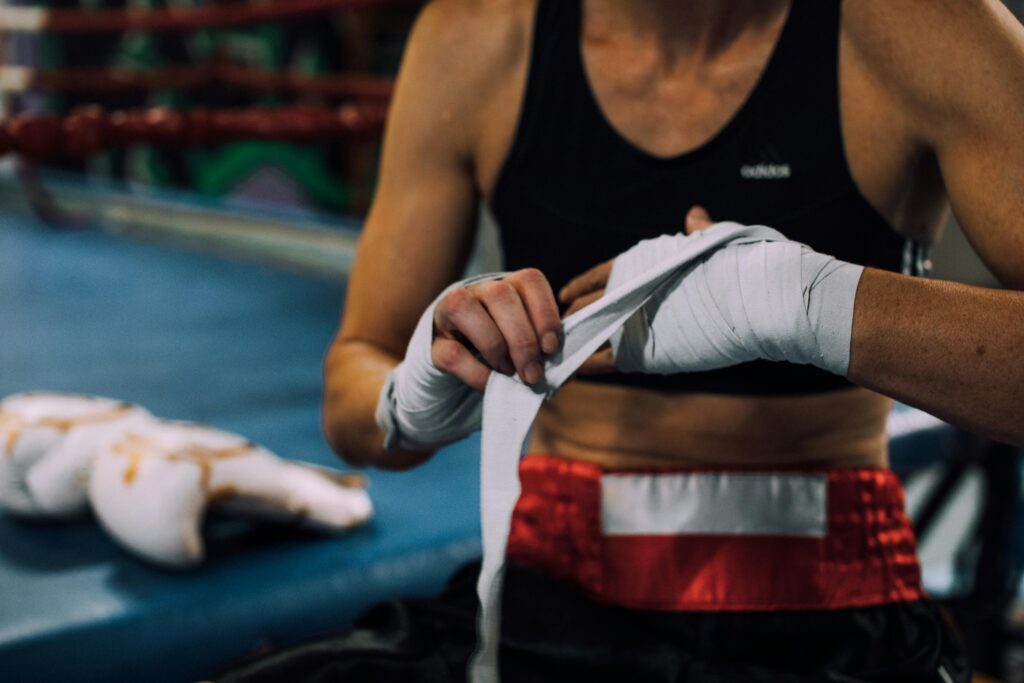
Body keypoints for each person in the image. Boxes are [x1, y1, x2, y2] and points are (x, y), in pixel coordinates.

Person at [230, 0, 1024, 681]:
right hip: (546, 600)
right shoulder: (478, 37)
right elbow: (351, 383)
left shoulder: (915, 27)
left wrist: (799, 302)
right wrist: (415, 389)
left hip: (826, 611)